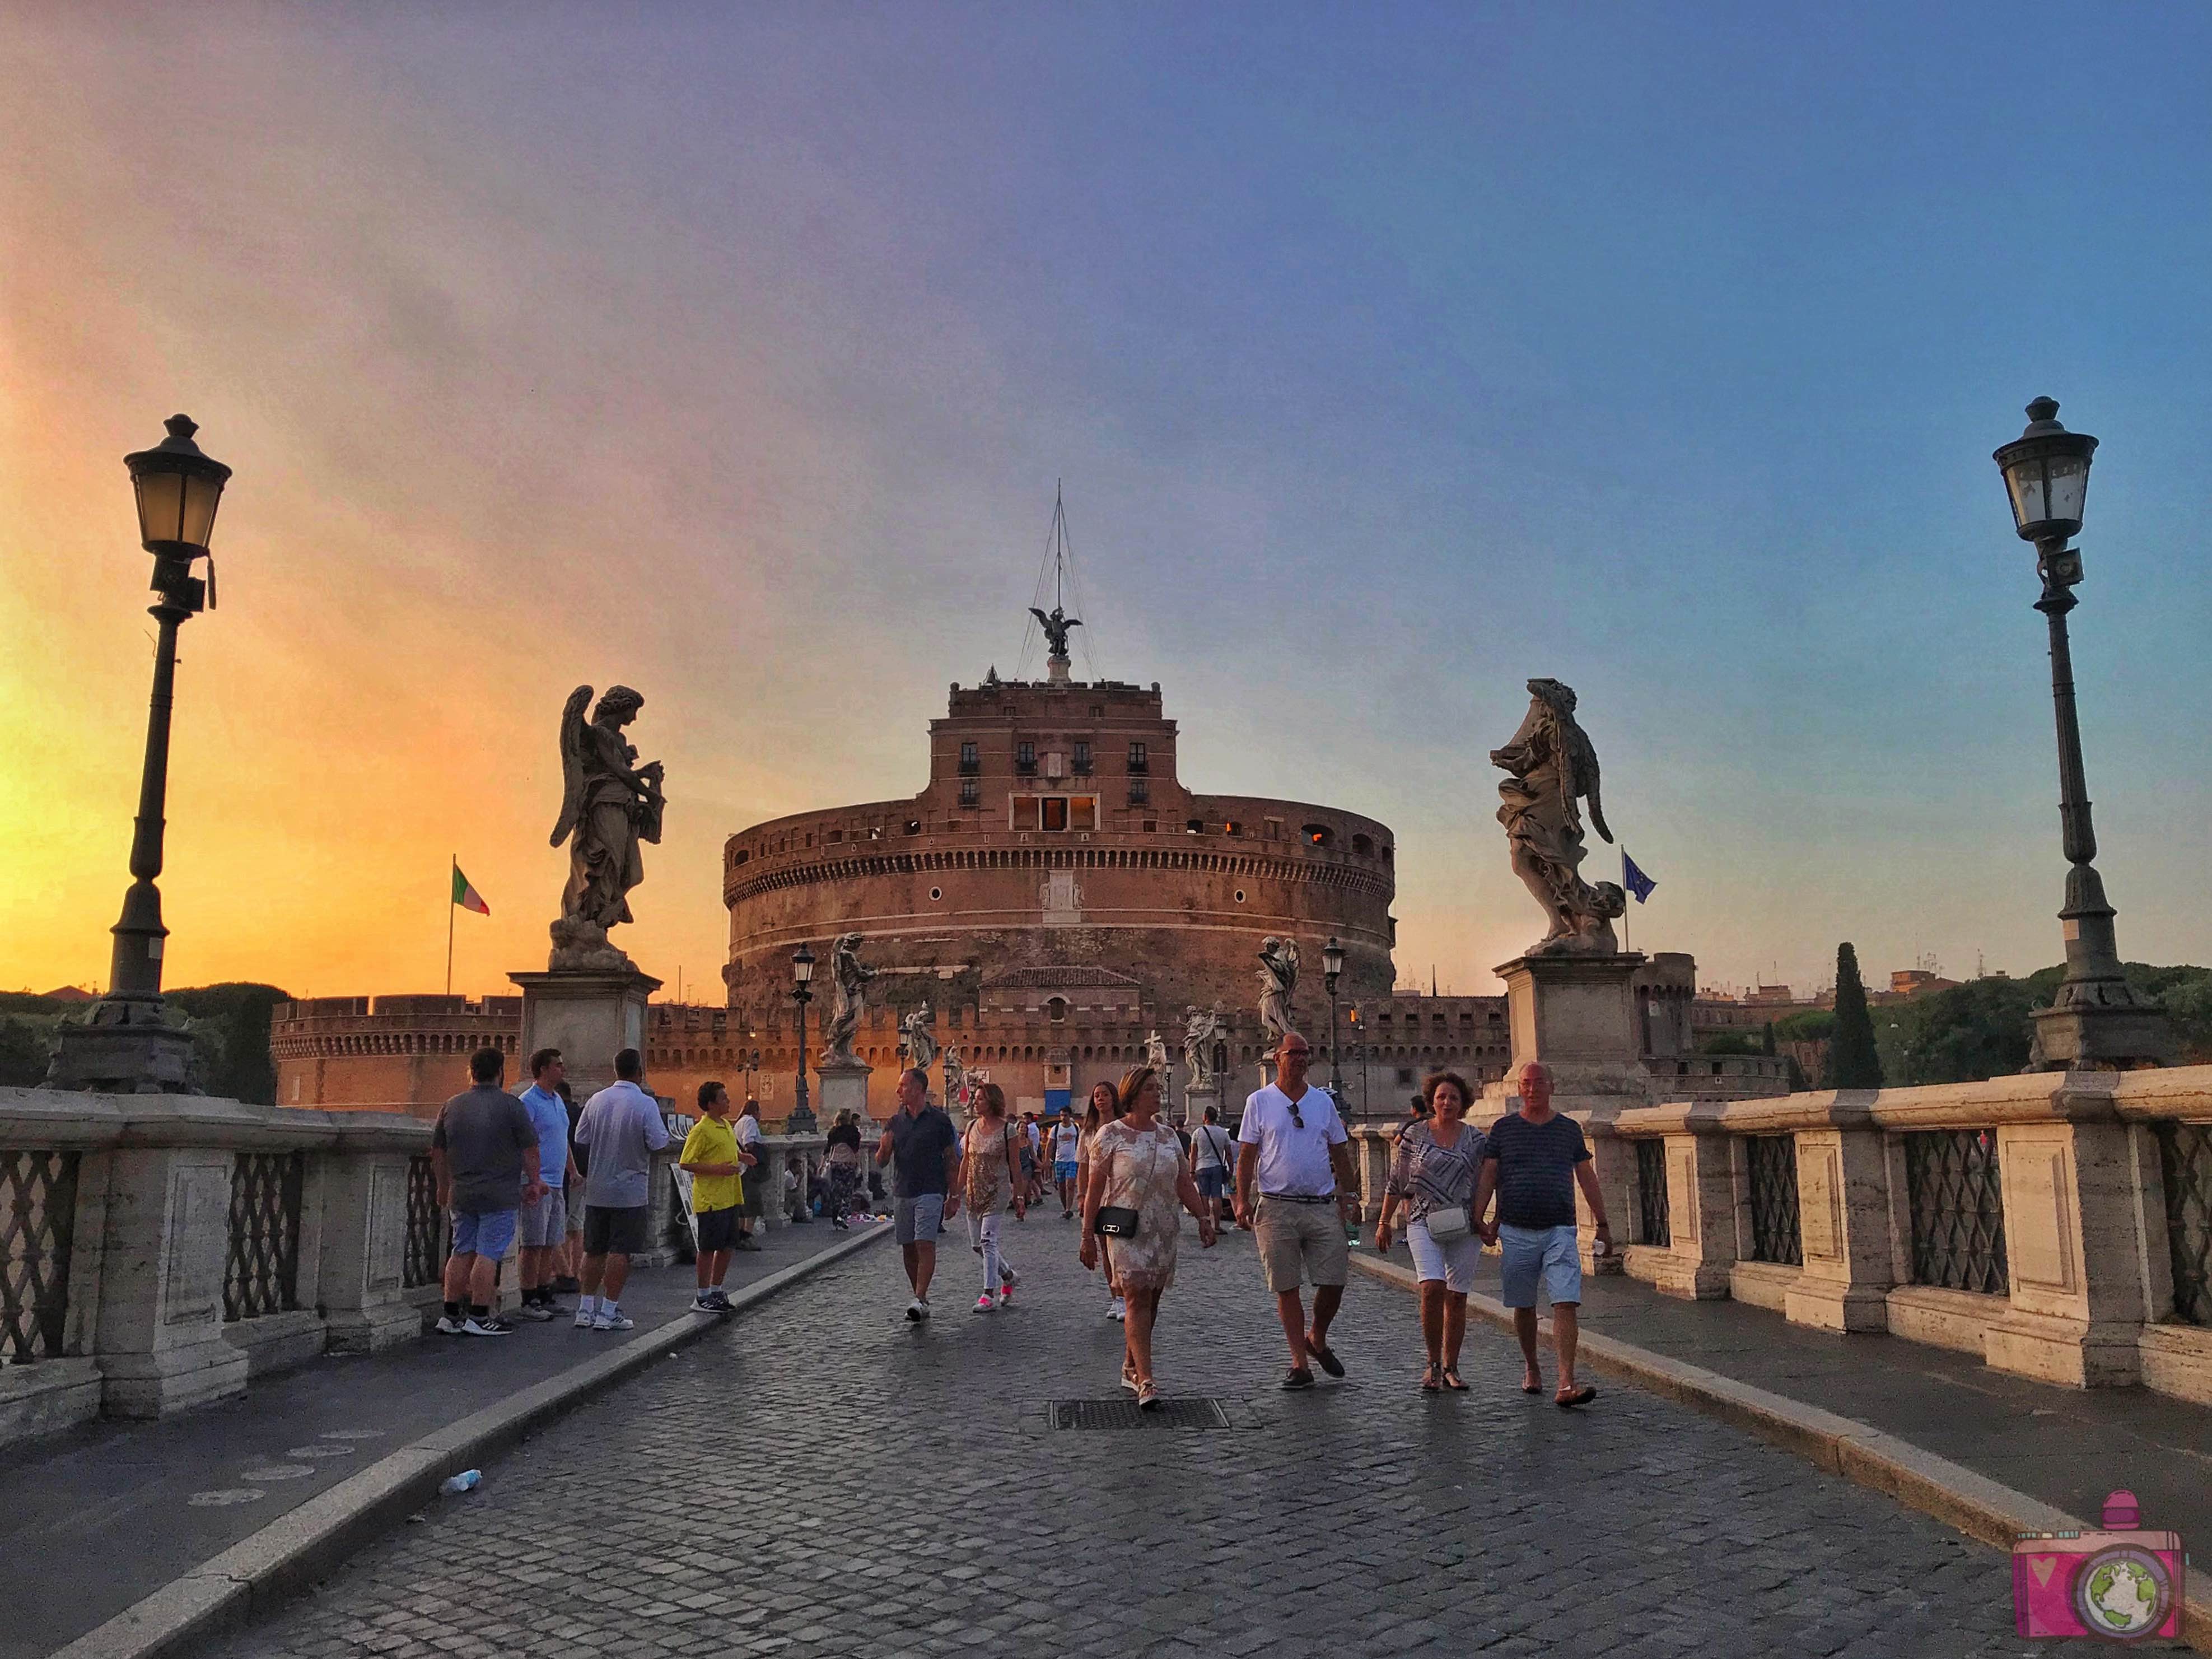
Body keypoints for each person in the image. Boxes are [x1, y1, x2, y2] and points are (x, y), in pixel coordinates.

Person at [1472, 1060, 1613, 1408]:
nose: (1532, 1089)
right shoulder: (1503, 1129)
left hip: (1560, 1228)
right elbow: (1490, 1174)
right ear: (1519, 1089)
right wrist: (1479, 1217)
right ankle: (1532, 1366)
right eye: (1526, 1084)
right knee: (1523, 1305)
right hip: (1516, 1228)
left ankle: (1566, 1381)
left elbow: (1586, 1176)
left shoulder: (1568, 1130)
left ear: (1552, 1087)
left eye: (1538, 1083)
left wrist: (1603, 1222)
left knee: (1566, 1301)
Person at [1080, 1066, 1216, 1408]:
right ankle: (1147, 1380)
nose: (1158, 1094)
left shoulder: (1169, 1136)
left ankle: (1130, 1365)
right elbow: (1094, 1191)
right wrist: (1086, 1236)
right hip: (1126, 1230)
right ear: (1134, 1094)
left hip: (1163, 1228)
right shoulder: (1110, 1135)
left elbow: (1183, 1181)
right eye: (1151, 1089)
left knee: (1150, 1303)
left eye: (1158, 1088)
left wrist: (1203, 1216)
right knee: (1135, 1299)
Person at [1234, 1031, 1357, 1390]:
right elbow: (1246, 1157)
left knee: (1335, 1280)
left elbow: (1340, 1153)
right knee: (1286, 1287)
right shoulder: (1259, 1101)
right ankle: (1299, 1363)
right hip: (1275, 1207)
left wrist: (1350, 1196)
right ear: (1277, 1058)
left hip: (1322, 1205)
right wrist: (1242, 1199)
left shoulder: (1323, 1103)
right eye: (1294, 1053)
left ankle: (1316, 1338)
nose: (1302, 1059)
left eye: (1307, 1053)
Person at [1373, 1071, 1487, 1392]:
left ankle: (1452, 1366)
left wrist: (1488, 1220)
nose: (1447, 1102)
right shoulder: (1415, 1135)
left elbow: (1488, 1181)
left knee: (1458, 1297)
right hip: (1423, 1220)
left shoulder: (1477, 1140)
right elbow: (1397, 1181)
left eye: (1453, 1097)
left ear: (1463, 1103)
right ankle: (1433, 1363)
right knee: (1432, 1286)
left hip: (1464, 1224)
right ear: (1431, 1101)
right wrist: (1384, 1222)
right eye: (1441, 1097)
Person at [428, 1047, 545, 1338]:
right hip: (499, 1192)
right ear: (500, 1073)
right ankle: (479, 1315)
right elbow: (530, 1149)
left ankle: (451, 1314)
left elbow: (438, 1152)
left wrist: (443, 1185)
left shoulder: (451, 1106)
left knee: (461, 1250)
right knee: (488, 1253)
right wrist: (534, 1182)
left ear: (471, 1072)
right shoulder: (511, 1106)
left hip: (462, 1191)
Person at [571, 1047, 671, 1332]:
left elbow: (582, 1137)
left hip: (598, 1187)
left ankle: (585, 1309)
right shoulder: (645, 1104)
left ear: (616, 1071)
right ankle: (608, 1311)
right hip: (629, 1189)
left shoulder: (596, 1100)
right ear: (640, 1073)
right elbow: (658, 1143)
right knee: (620, 1252)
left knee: (593, 1250)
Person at [876, 1067, 961, 1321]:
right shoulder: (895, 1122)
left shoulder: (940, 1121)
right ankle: (919, 1297)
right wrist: (883, 1149)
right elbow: (881, 1162)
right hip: (903, 1191)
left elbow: (951, 1160)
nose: (898, 1091)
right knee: (909, 1247)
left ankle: (920, 1296)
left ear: (918, 1089)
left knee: (925, 1242)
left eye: (903, 1086)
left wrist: (954, 1196)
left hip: (931, 1190)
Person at [514, 1047, 581, 1321]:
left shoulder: (557, 1101)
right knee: (532, 1244)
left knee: (550, 1242)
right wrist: (532, 1179)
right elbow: (522, 1143)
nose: (563, 1069)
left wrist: (573, 1170)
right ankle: (528, 1298)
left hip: (556, 1183)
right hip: (537, 1183)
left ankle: (544, 1294)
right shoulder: (528, 1102)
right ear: (543, 1069)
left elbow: (560, 1139)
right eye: (558, 1065)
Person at [680, 1082, 757, 1313]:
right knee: (707, 1248)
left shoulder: (724, 1125)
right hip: (711, 1199)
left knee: (727, 1246)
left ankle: (716, 1289)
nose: (728, 1101)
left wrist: (742, 1157)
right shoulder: (701, 1130)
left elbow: (727, 1153)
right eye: (723, 1098)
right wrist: (719, 1170)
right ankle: (701, 1295)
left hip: (730, 1196)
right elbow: (686, 1162)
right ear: (711, 1104)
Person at [961, 1083, 1027, 1310]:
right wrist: (954, 1193)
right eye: (975, 1098)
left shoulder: (1008, 1130)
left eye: (980, 1098)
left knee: (988, 1241)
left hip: (997, 1191)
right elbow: (966, 1162)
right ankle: (1008, 1275)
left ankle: (987, 1294)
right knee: (976, 1245)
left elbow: (1015, 1165)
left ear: (992, 1102)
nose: (975, 1102)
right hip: (974, 1191)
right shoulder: (970, 1127)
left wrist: (1019, 1197)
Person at [1076, 1081, 1125, 1320]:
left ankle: (1127, 1295)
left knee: (1122, 1249)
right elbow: (1083, 1167)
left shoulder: (1125, 1128)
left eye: (1105, 1095)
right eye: (1096, 1096)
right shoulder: (1087, 1132)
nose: (1100, 1099)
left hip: (1122, 1195)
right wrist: (1082, 1195)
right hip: (1099, 1198)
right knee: (1106, 1249)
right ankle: (1116, 1297)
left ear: (1114, 1098)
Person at [554, 1079, 585, 1293]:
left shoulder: (559, 1112)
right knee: (577, 1225)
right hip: (585, 1173)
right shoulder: (581, 1112)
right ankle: (576, 1272)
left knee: (563, 1226)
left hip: (566, 1175)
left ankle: (564, 1274)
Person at [1187, 1103, 1235, 1228]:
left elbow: (1194, 1154)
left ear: (1205, 1117)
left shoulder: (1197, 1133)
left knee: (1204, 1196)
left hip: (1202, 1167)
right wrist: (1231, 1169)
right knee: (1217, 1196)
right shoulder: (1223, 1133)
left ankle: (1206, 1223)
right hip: (1217, 1167)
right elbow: (1229, 1153)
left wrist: (1192, 1171)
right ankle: (1217, 1225)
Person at [732, 1098, 767, 1250]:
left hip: (739, 1168)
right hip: (749, 1168)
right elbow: (748, 1142)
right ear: (755, 1111)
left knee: (741, 1205)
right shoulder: (751, 1122)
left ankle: (739, 1237)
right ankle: (747, 1237)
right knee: (752, 1204)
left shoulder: (738, 1122)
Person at [823, 1110, 864, 1229]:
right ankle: (842, 1217)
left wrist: (822, 1165)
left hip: (836, 1163)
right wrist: (859, 1165)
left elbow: (827, 1149)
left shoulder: (833, 1131)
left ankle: (835, 1216)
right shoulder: (853, 1132)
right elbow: (856, 1151)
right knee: (847, 1192)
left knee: (836, 1191)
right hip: (848, 1164)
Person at [1049, 1107, 1082, 1219]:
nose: (1063, 1118)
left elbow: (1080, 1144)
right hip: (1059, 1161)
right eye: (1062, 1115)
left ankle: (1069, 1209)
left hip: (1072, 1160)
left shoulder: (1076, 1128)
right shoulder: (1056, 1129)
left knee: (1070, 1185)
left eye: (1066, 1115)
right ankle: (1065, 1208)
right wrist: (1047, 1159)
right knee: (1062, 1187)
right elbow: (1050, 1144)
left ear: (1070, 1116)